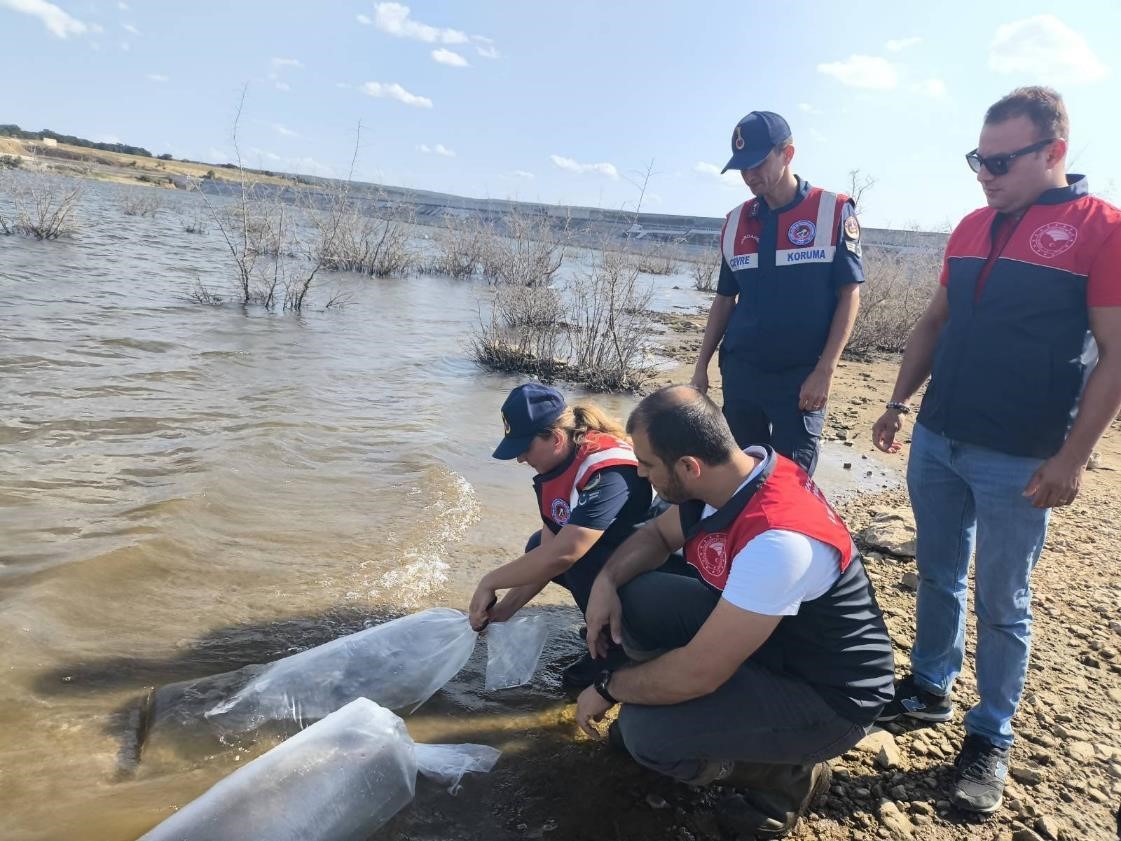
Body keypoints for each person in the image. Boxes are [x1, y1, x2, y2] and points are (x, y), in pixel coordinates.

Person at [872, 86, 1121, 814]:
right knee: (936, 571)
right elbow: (932, 322)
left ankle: (990, 736)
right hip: (939, 437)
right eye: (977, 158)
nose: (984, 171)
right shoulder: (972, 224)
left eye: (1000, 159)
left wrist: (1072, 457)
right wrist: (895, 403)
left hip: (1019, 455)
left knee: (1002, 599)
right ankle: (927, 688)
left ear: (1053, 153)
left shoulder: (1098, 228)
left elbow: (1113, 353)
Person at [575, 386, 894, 839]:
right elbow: (655, 538)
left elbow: (698, 674)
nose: (640, 473)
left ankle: (787, 775)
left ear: (689, 466)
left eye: (646, 465)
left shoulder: (778, 543)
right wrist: (605, 583)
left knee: (646, 734)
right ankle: (704, 721)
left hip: (828, 697)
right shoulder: (734, 474)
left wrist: (608, 687)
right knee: (637, 596)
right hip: (772, 641)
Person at [691, 110, 864, 476]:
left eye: (757, 163)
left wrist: (826, 370)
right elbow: (724, 299)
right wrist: (701, 365)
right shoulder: (736, 221)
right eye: (742, 167)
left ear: (788, 154)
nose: (749, 175)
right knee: (740, 475)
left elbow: (849, 294)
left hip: (801, 376)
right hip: (742, 372)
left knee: (791, 478)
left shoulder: (831, 210)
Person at [468, 382, 653, 688]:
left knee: (575, 559)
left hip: (654, 566)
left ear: (554, 437)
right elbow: (548, 547)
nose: (520, 459)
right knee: (537, 547)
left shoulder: (608, 470)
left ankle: (619, 653)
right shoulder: (562, 462)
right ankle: (604, 633)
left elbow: (566, 553)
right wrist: (503, 612)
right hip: (613, 557)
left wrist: (490, 580)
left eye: (525, 449)